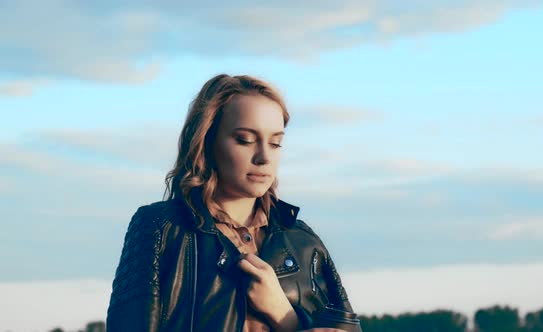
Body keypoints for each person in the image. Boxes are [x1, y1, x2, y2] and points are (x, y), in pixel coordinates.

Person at [106, 74, 362, 331]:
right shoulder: (161, 228)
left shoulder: (304, 241)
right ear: (207, 142)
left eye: (275, 143)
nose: (264, 157)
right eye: (245, 140)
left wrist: (283, 314)